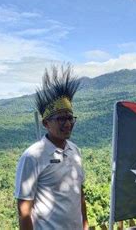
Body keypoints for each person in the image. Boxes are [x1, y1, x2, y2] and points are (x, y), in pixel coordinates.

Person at [14, 65, 88, 230]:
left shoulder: (75, 152)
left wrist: (85, 225)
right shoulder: (32, 157)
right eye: (61, 119)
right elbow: (24, 211)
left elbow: (79, 196)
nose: (68, 123)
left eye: (70, 118)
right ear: (46, 123)